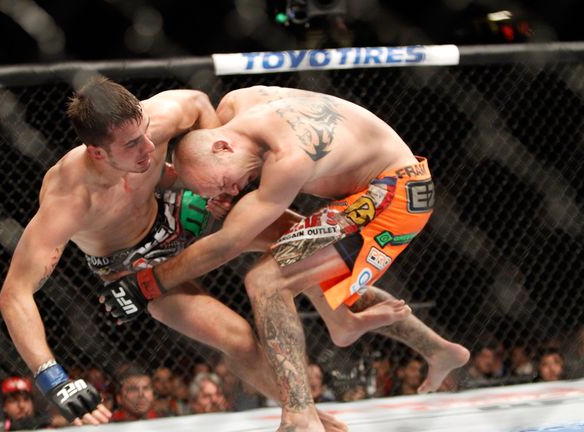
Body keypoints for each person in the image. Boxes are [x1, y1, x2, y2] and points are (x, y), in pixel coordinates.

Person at [0, 77, 352, 430]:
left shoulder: (162, 116)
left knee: (303, 236)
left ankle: (346, 316)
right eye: (133, 144)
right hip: (132, 265)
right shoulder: (70, 197)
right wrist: (54, 379)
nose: (149, 148)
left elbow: (198, 102)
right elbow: (14, 294)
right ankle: (305, 414)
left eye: (146, 132)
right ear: (97, 152)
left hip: (174, 210)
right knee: (238, 337)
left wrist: (215, 181)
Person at [111, 85, 471, 431]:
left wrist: (144, 284)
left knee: (267, 279)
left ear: (222, 147)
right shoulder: (238, 105)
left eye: (224, 182)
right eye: (220, 191)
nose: (232, 191)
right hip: (366, 193)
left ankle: (301, 414)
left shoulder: (290, 157)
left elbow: (228, 243)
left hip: (397, 193)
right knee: (298, 261)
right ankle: (437, 350)